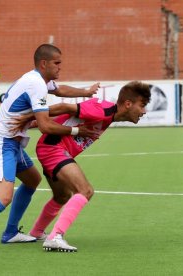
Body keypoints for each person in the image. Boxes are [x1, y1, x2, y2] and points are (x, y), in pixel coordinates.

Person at [0, 44, 100, 253]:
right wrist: (76, 131)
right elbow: (46, 125)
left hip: (13, 144)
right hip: (1, 144)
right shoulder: (36, 84)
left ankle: (10, 233)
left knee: (32, 180)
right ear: (44, 63)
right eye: (57, 63)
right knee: (3, 197)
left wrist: (86, 92)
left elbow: (60, 89)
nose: (60, 67)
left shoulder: (36, 79)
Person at [18, 81, 151, 252]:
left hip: (51, 149)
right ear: (127, 104)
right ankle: (55, 236)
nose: (144, 111)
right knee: (85, 190)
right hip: (53, 149)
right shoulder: (102, 110)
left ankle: (36, 232)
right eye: (142, 106)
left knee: (62, 196)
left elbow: (67, 118)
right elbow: (66, 107)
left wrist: (34, 122)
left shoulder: (108, 113)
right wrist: (32, 117)